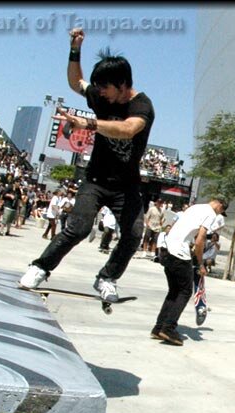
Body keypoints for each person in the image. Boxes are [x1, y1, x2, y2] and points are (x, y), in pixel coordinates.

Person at [19, 27, 155, 302]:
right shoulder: (102, 95)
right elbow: (76, 82)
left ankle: (107, 278)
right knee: (78, 227)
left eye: (105, 88)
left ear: (122, 85)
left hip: (126, 186)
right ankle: (40, 267)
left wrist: (89, 124)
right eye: (99, 88)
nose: (100, 93)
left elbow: (128, 130)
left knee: (132, 235)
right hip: (95, 180)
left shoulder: (142, 106)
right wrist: (75, 48)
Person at [150, 197, 228, 346]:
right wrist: (200, 264)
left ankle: (158, 328)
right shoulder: (210, 213)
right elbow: (200, 240)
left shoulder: (194, 207)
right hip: (179, 253)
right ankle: (168, 328)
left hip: (167, 250)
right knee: (185, 292)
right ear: (219, 204)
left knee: (174, 292)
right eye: (221, 211)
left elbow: (179, 227)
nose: (219, 214)